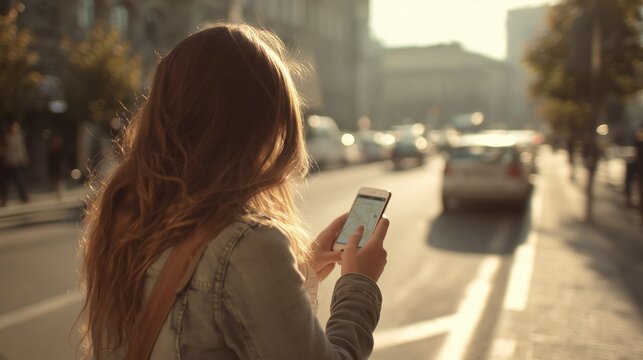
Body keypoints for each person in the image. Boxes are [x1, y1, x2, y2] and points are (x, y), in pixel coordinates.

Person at [80, 23, 389, 360]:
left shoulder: (124, 213)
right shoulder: (247, 243)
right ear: (263, 128)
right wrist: (358, 283)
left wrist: (302, 271)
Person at [1, 121, 30, 205]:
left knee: (20, 181)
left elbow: (22, 149)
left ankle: (24, 197)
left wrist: (24, 158)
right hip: (8, 163)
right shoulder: (6, 137)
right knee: (5, 183)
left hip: (17, 162)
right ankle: (4, 199)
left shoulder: (19, 137)